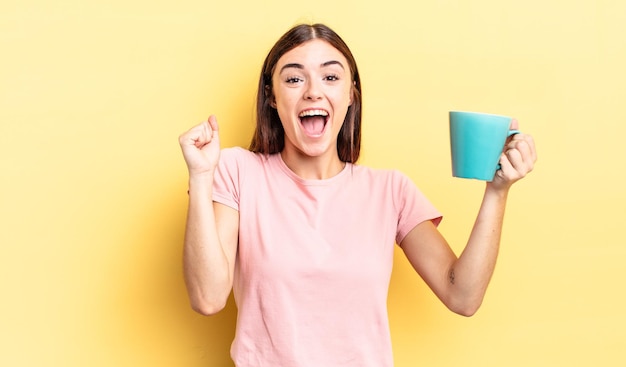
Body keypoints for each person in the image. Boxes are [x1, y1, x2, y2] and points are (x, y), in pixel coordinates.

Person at [178, 23, 536, 367]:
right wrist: (201, 175)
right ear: (272, 97)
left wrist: (497, 191)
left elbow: (463, 296)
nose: (313, 92)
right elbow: (207, 298)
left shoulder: (390, 191)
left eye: (330, 77)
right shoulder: (238, 171)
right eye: (293, 78)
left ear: (351, 94)